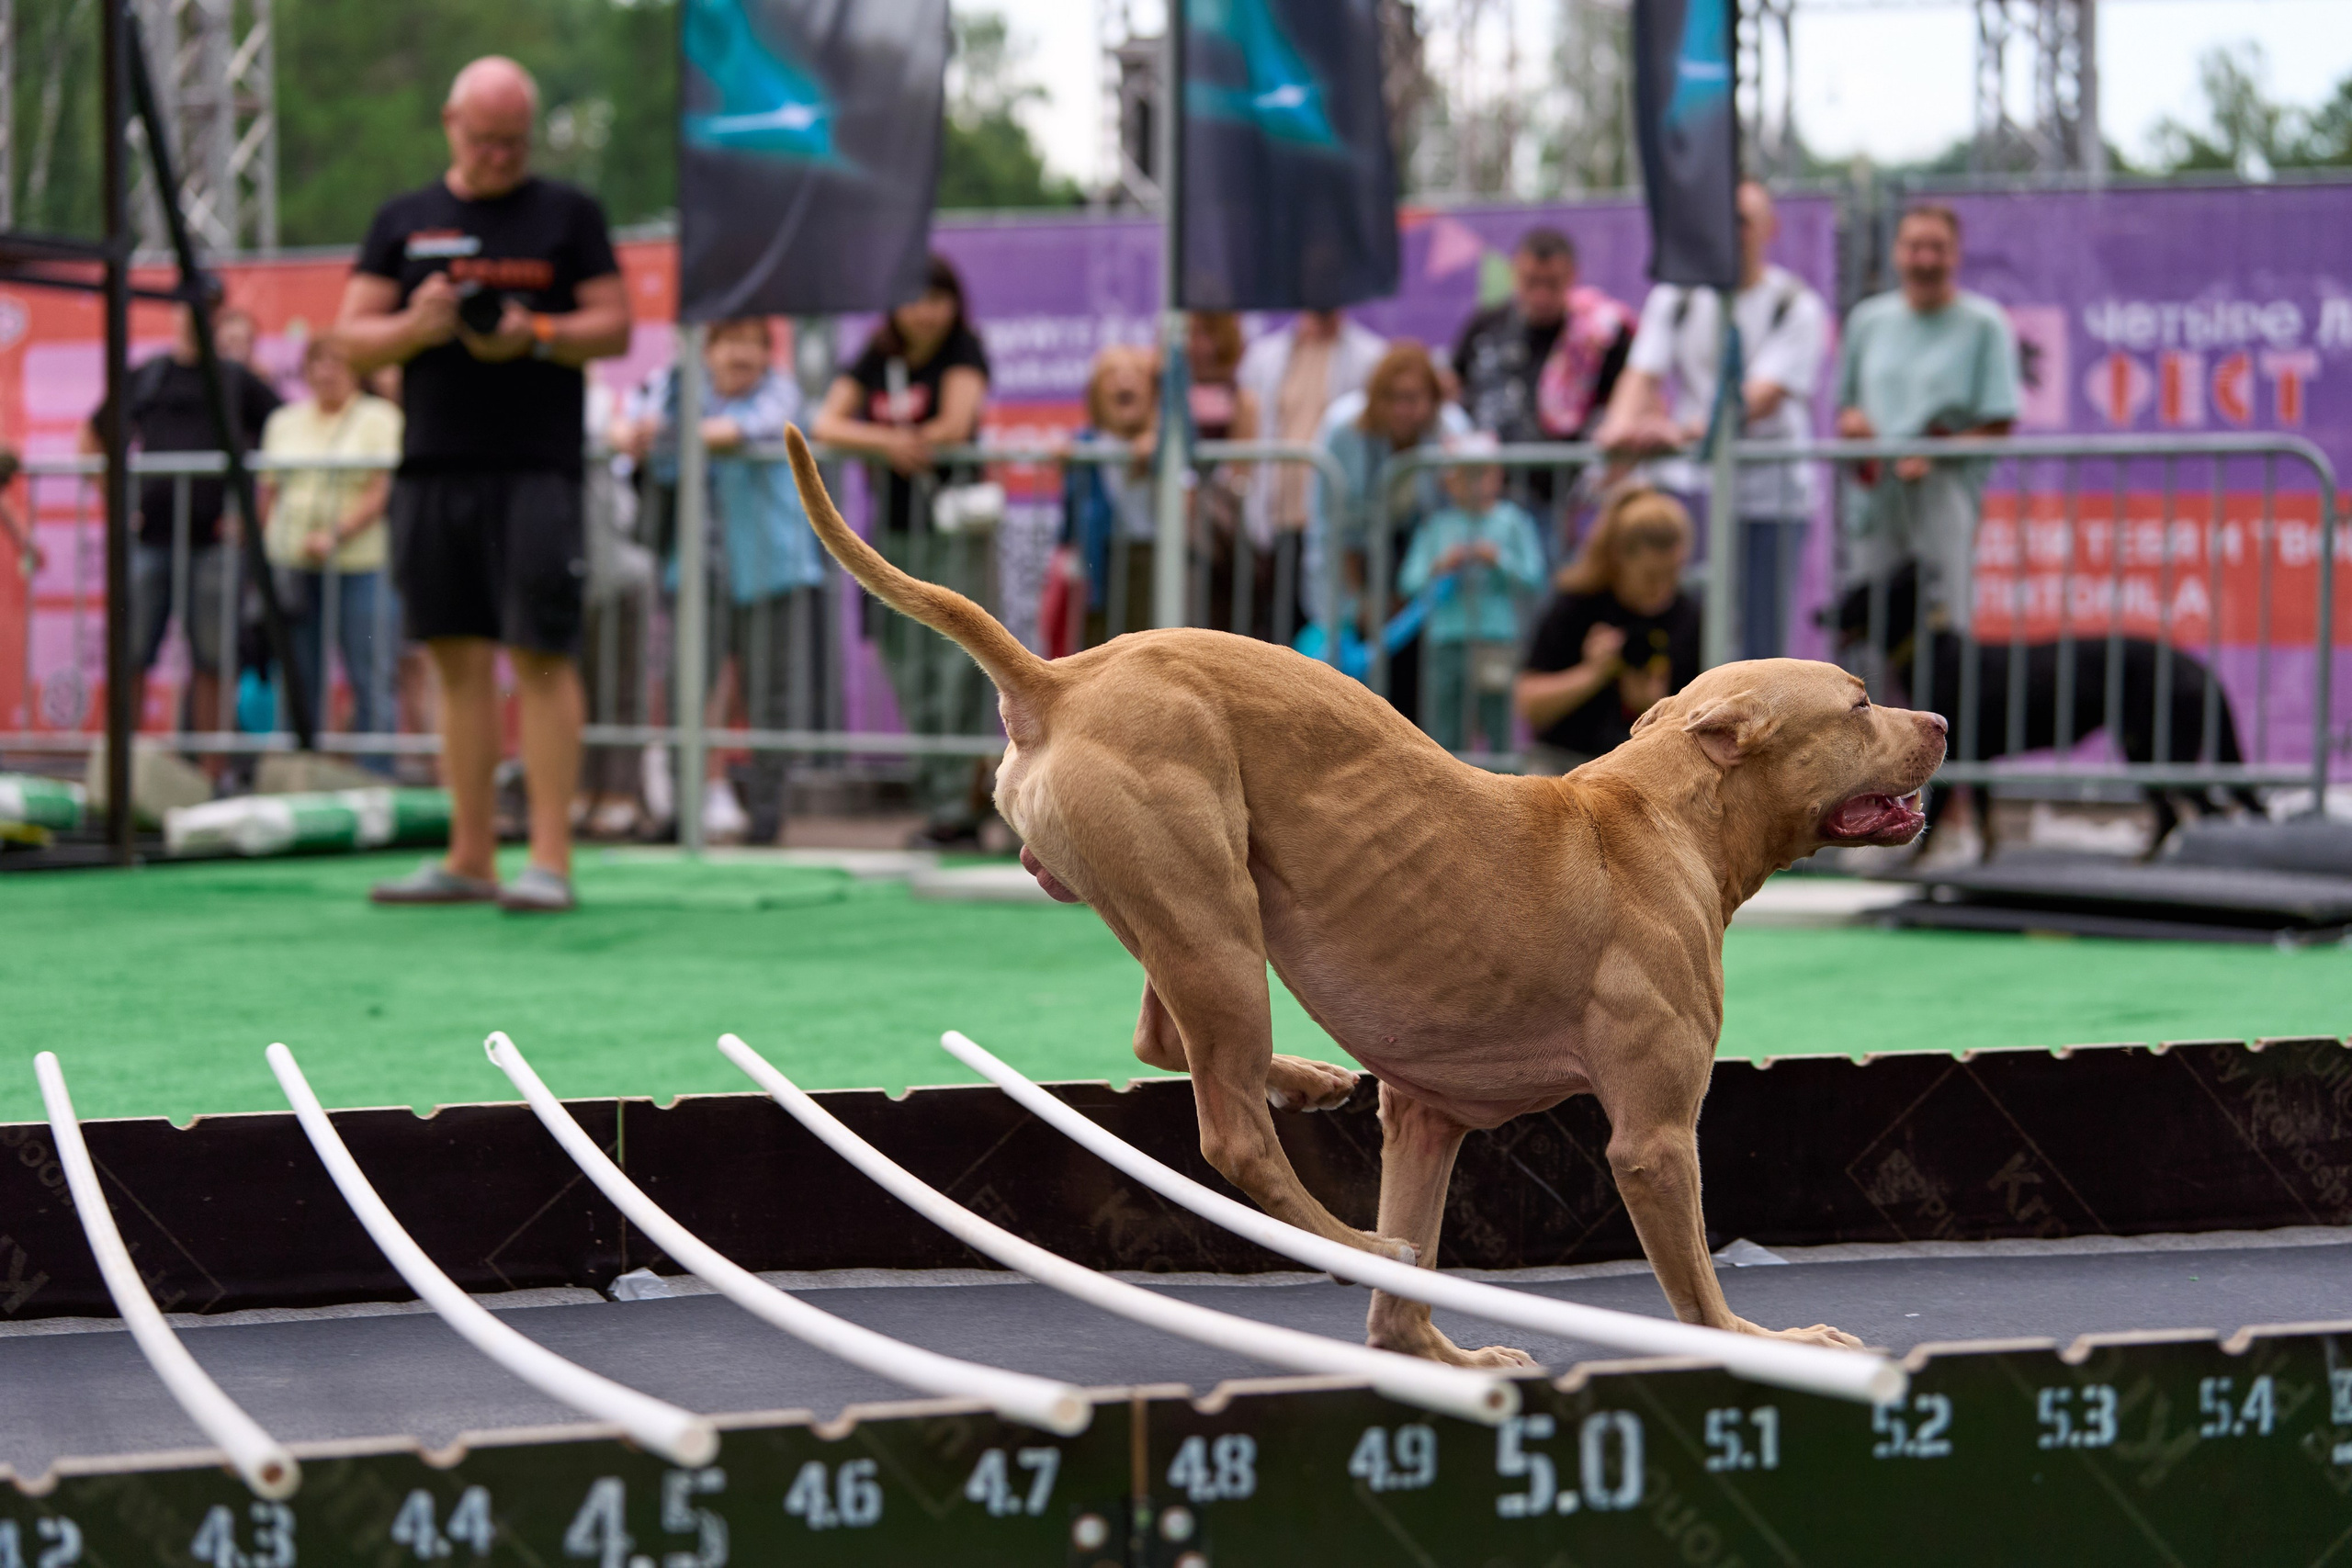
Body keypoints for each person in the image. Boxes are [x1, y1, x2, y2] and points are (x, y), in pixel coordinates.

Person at [336, 56, 632, 912]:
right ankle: (470, 856)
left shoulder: (568, 214)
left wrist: (534, 332)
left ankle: (549, 860)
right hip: (432, 466)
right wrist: (416, 323)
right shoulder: (403, 218)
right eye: (485, 140)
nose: (501, 156)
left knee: (542, 656)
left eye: (515, 141)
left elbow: (614, 325)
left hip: (536, 468)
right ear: (450, 124)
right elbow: (350, 339)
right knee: (453, 657)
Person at [1597, 180, 1830, 660]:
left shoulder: (1796, 304)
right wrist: (1618, 435)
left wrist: (1676, 433)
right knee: (1689, 634)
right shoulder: (1676, 297)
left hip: (1773, 499)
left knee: (1762, 647)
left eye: (1743, 220)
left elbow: (1757, 399)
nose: (1731, 231)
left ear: (1769, 229)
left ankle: (1765, 736)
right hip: (1695, 492)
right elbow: (1641, 374)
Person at [811, 253, 994, 849]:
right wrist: (889, 441)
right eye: (915, 299)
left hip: (953, 535)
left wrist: (894, 441)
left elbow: (955, 424)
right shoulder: (875, 355)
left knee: (959, 671)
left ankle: (967, 805)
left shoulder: (963, 349)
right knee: (910, 667)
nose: (926, 312)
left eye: (937, 299)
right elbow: (827, 422)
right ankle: (941, 803)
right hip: (893, 538)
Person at [621, 316, 823, 845]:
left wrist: (672, 437)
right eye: (730, 342)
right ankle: (680, 814)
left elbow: (750, 428)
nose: (741, 355)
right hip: (692, 572)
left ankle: (766, 816)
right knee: (688, 693)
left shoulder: (781, 391)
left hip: (771, 572)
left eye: (753, 344)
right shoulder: (678, 389)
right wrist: (644, 433)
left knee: (769, 699)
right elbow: (629, 427)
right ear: (706, 351)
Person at [82, 298, 283, 770]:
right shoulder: (149, 375)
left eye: (207, 309)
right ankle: (119, 775)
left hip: (213, 545)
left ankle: (212, 778)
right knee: (129, 656)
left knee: (213, 662)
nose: (194, 316)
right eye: (187, 306)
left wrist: (257, 514)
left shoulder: (236, 379)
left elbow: (289, 432)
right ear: (174, 313)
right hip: (149, 541)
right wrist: (117, 504)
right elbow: (91, 435)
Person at [1834, 202, 2020, 636]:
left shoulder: (1984, 324)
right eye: (1915, 246)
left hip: (1942, 495)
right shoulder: (1867, 321)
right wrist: (1857, 427)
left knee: (1945, 623)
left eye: (1937, 247)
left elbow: (1998, 423)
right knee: (1873, 625)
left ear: (1955, 254)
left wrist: (1935, 454)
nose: (1925, 258)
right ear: (1898, 252)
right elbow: (1847, 407)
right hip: (1878, 500)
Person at [257, 338, 404, 768]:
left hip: (362, 565)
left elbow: (381, 491)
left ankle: (378, 779)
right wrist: (264, 552)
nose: (325, 371)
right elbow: (267, 491)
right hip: (294, 566)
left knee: (370, 675)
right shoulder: (284, 421)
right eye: (316, 362)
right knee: (298, 678)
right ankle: (295, 774)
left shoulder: (380, 418)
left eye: (336, 361)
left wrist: (335, 535)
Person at [1312, 342, 1470, 720]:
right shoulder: (1343, 430)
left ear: (1434, 399)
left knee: (1421, 688)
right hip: (1359, 565)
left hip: (1426, 572)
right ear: (1375, 400)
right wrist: (1359, 601)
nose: (1405, 409)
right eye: (1394, 398)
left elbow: (1459, 517)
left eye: (1415, 398)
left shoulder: (1453, 431)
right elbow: (1334, 528)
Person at [1451, 228, 1635, 525]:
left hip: (1563, 500)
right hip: (1486, 499)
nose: (1541, 294)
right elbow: (1454, 388)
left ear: (1573, 276)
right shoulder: (1485, 325)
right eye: (1531, 282)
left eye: (1552, 283)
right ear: (1514, 274)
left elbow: (1628, 404)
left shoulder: (1598, 338)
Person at [1514, 486, 1702, 776]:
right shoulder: (1577, 604)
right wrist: (1592, 674)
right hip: (1564, 764)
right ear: (1619, 558)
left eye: (1673, 574)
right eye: (1651, 575)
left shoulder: (1687, 614)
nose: (1662, 587)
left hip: (1644, 770)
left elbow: (1700, 728)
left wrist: (1655, 707)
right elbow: (1529, 704)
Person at [1236, 308, 1386, 624]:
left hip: (1339, 521)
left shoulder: (1371, 357)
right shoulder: (1265, 356)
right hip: (1279, 518)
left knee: (1332, 634)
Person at [1396, 435, 1546, 753]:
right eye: (1465, 473)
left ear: (1498, 475)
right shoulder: (1437, 526)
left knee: (1501, 726)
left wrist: (1498, 561)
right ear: (1449, 481)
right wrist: (1440, 566)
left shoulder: (1513, 522)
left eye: (1482, 472)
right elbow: (1408, 581)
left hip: (1496, 639)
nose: (1474, 482)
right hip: (1447, 639)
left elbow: (1535, 576)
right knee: (1443, 730)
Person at [1057, 344, 1159, 649]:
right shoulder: (1084, 444)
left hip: (1149, 555)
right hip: (1099, 559)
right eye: (1112, 374)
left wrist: (1159, 446)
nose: (1124, 380)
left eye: (1136, 373)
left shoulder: (1161, 442)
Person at [1185, 312, 1266, 638]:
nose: (1198, 344)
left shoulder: (1240, 397)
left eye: (1207, 333)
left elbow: (1240, 466)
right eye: (1192, 334)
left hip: (1222, 512)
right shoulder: (1166, 391)